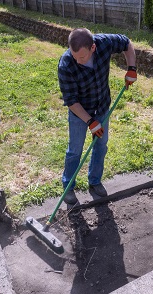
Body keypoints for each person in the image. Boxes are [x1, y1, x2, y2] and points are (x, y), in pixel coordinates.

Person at [58, 28, 137, 205]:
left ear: (93, 47)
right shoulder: (66, 64)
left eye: (82, 57)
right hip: (80, 113)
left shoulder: (104, 43)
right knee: (75, 151)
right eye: (74, 56)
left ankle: (94, 182)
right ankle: (68, 186)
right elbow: (71, 100)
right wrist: (90, 121)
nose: (78, 61)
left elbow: (126, 42)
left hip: (101, 107)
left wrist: (131, 68)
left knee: (101, 145)